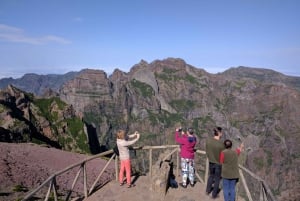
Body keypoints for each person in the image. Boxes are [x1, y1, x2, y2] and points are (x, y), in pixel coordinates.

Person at [205, 127, 224, 198]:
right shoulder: (221, 145)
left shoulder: (208, 141)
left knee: (211, 176)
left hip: (211, 162)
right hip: (218, 164)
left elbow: (207, 150)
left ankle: (207, 190)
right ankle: (214, 195)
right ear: (219, 133)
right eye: (221, 132)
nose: (222, 134)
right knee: (217, 179)